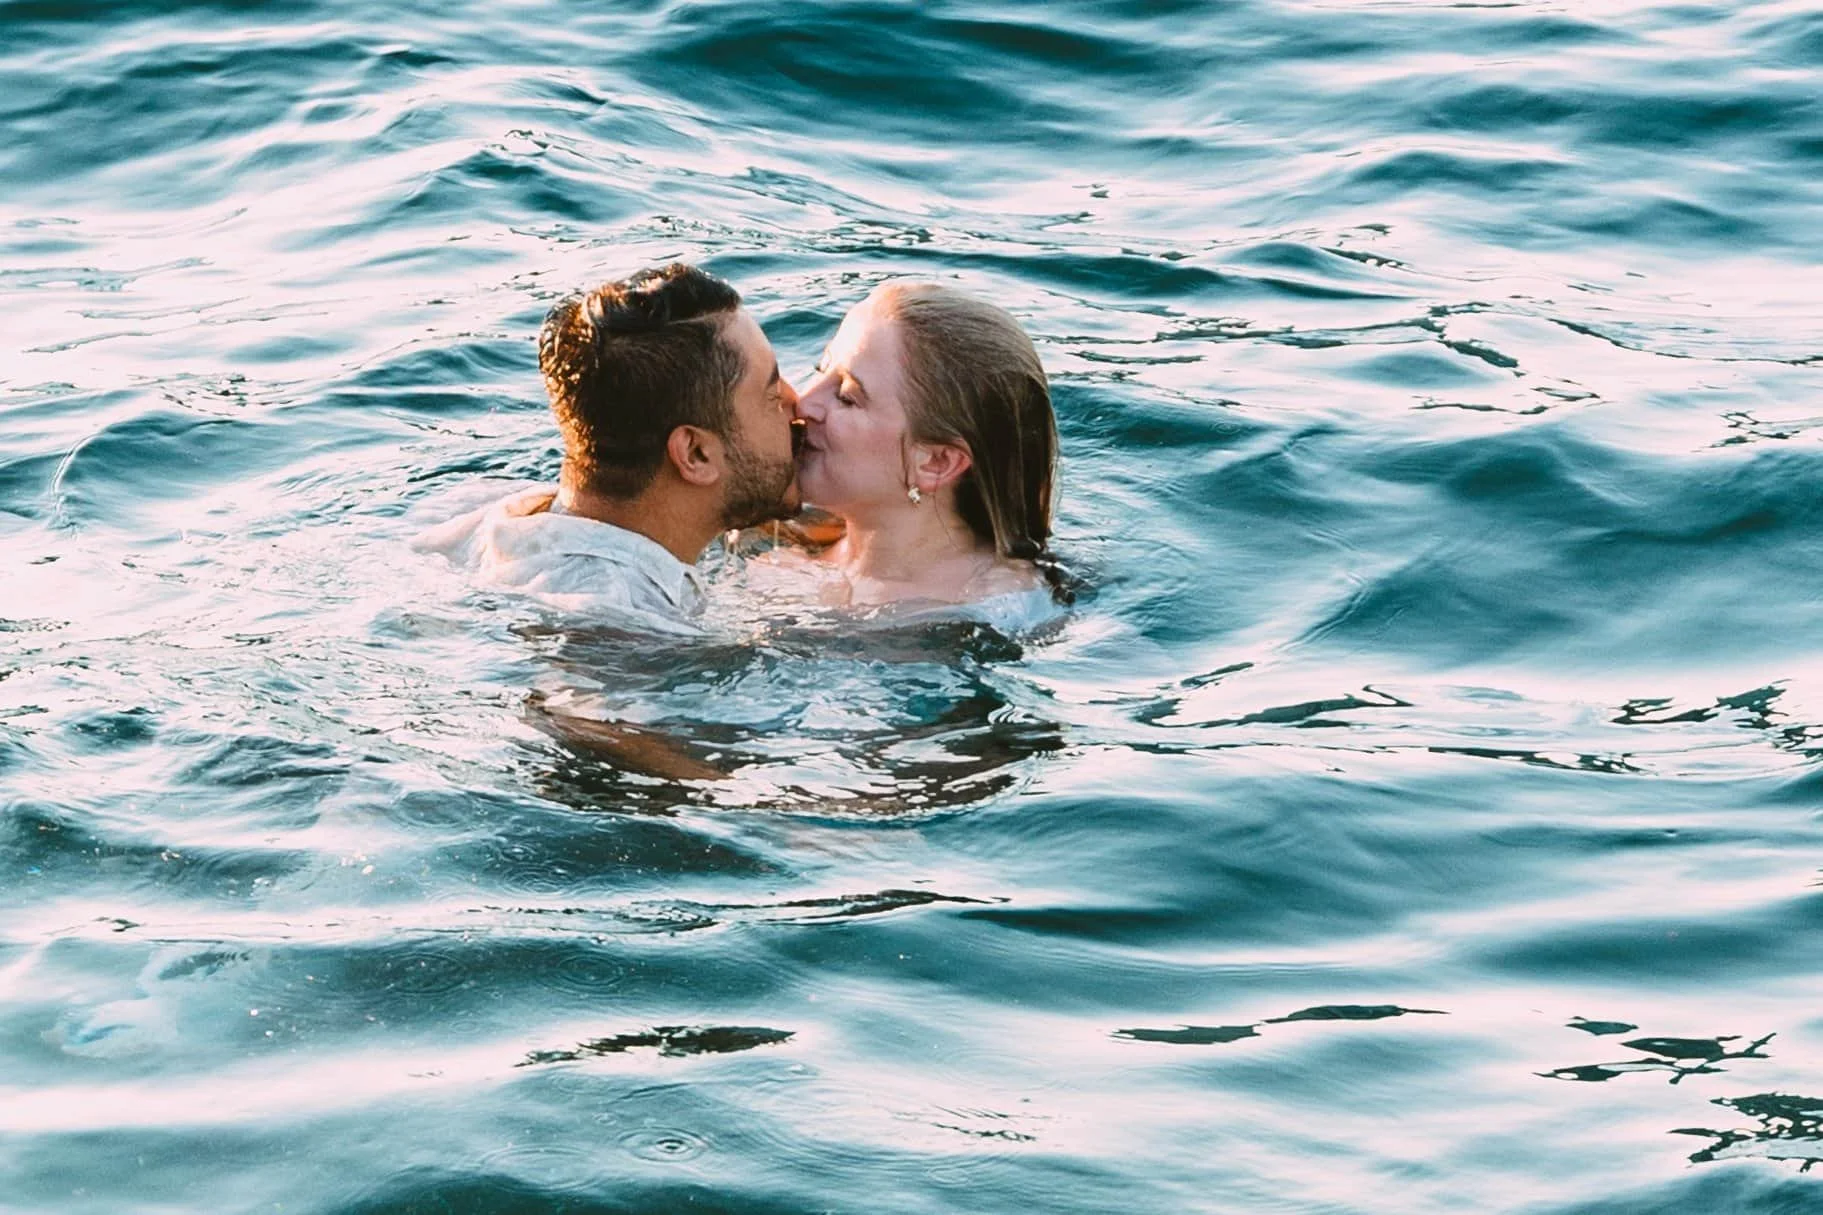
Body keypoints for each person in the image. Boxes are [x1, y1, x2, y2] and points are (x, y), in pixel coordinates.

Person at [414, 262, 801, 632]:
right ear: (695, 454)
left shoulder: (480, 513)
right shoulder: (620, 625)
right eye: (771, 394)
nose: (800, 402)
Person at [783, 281, 1068, 621]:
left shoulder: (1002, 608)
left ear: (936, 462)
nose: (805, 403)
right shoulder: (783, 562)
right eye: (821, 370)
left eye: (846, 397)